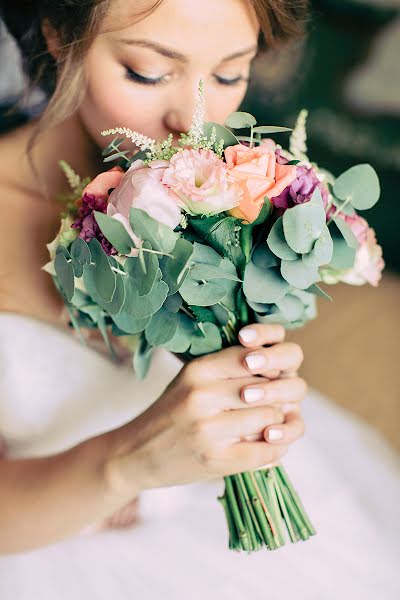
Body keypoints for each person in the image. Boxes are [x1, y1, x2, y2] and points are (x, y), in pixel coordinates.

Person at [0, 1, 398, 599]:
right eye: (147, 71)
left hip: (228, 518)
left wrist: (248, 356)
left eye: (231, 73)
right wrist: (126, 465)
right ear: (58, 36)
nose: (194, 121)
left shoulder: (213, 186)